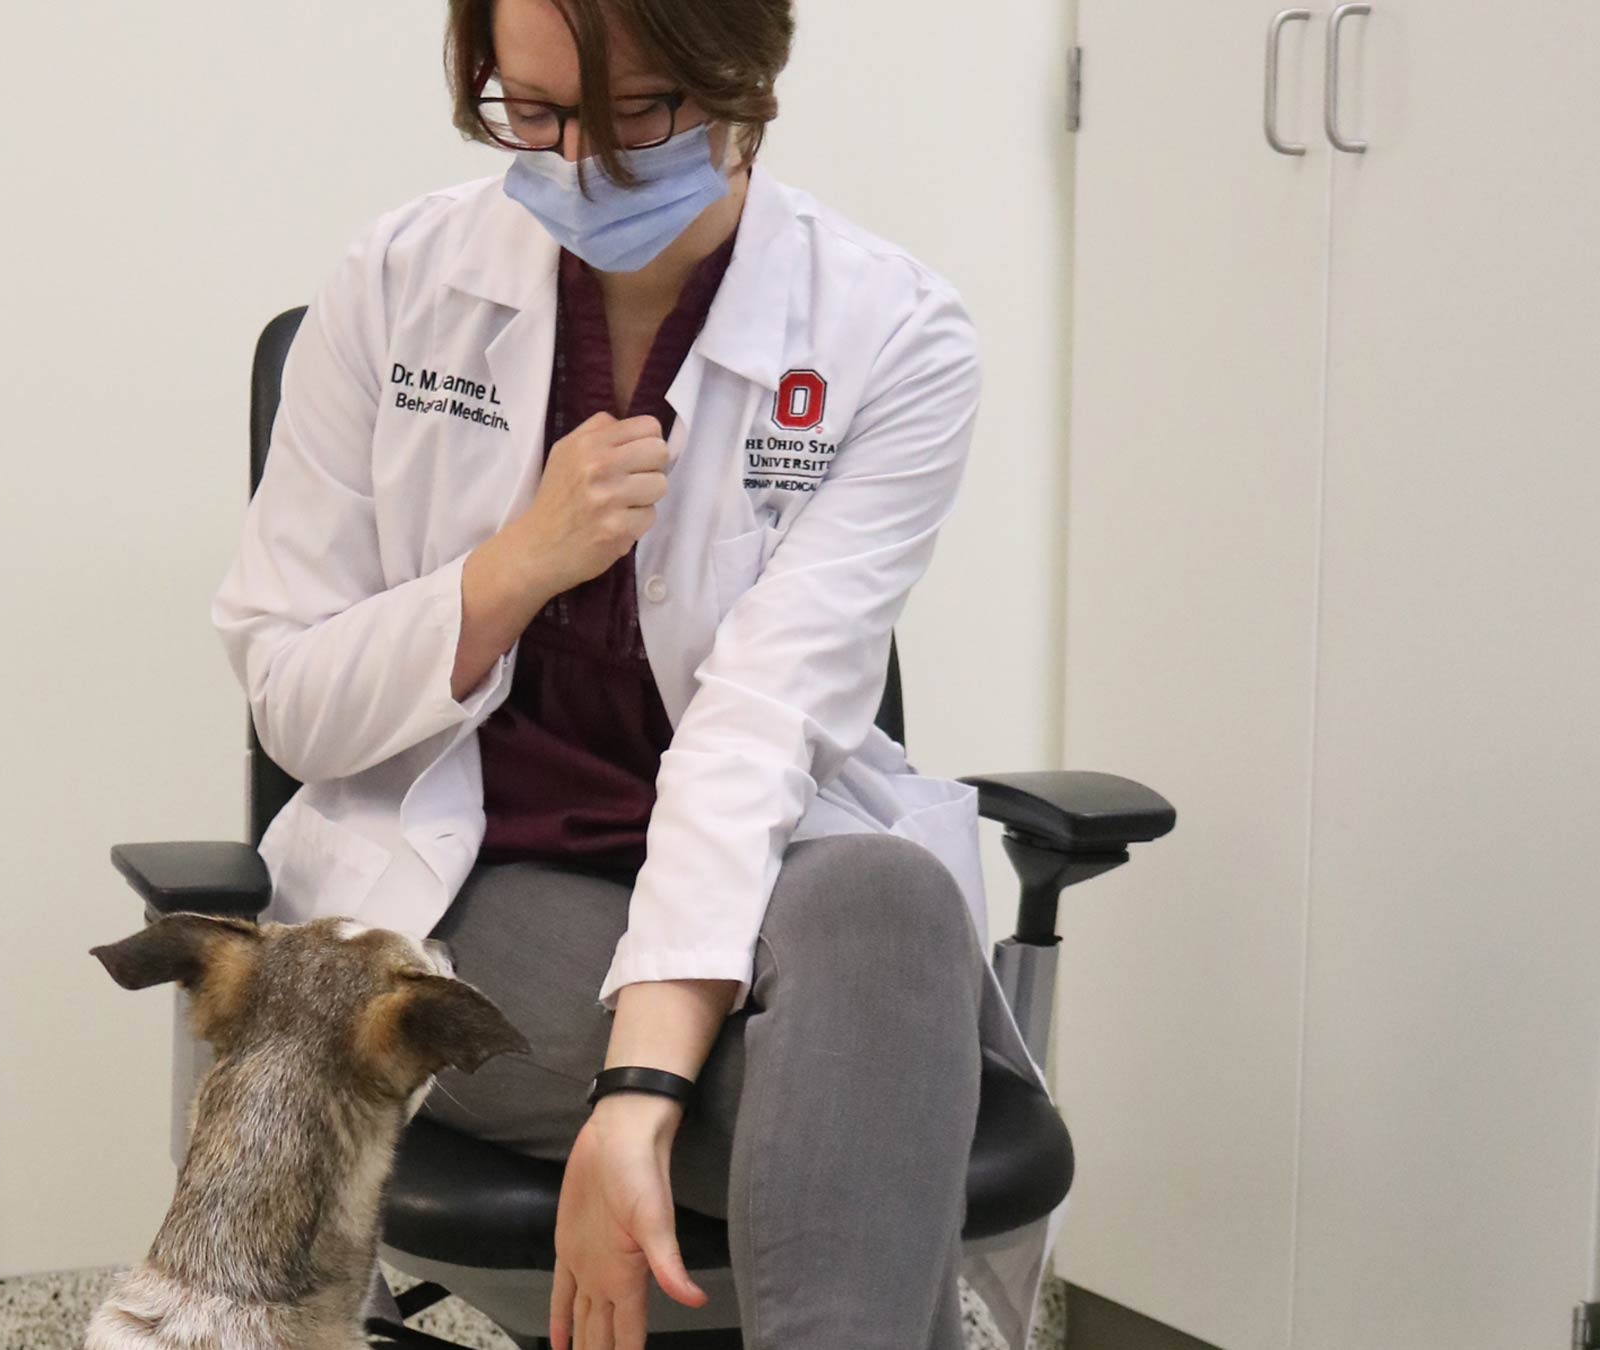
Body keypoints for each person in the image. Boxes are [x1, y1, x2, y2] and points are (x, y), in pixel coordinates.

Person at [212, 1, 1047, 1345]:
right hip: (474, 886)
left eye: (639, 115)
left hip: (765, 867)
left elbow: (761, 727)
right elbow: (294, 701)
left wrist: (641, 1093)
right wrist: (510, 569)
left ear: (747, 82)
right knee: (866, 1097)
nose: (582, 166)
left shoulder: (895, 336)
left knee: (890, 900)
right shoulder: (391, 287)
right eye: (534, 115)